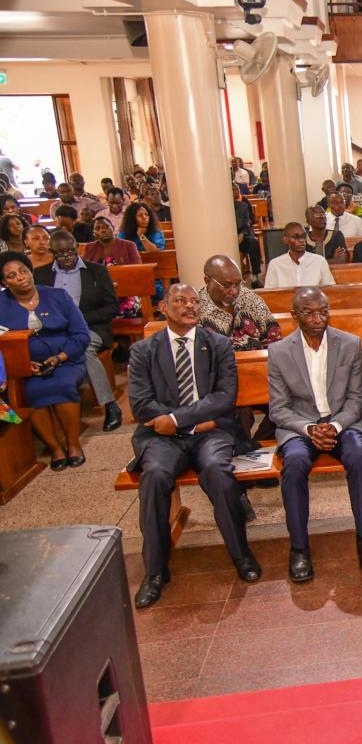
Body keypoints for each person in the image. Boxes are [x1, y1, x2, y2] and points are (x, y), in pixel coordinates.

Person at [128, 283, 261, 607]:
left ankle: (241, 555)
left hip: (208, 433)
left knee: (217, 471)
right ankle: (156, 571)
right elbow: (142, 405)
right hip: (161, 438)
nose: (189, 306)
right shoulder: (144, 351)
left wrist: (175, 419)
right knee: (156, 476)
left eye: (193, 301)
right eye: (180, 301)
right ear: (163, 307)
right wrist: (180, 422)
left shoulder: (217, 345)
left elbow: (224, 398)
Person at [268, 287, 362, 581]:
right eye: (309, 312)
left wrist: (335, 426)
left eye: (324, 311)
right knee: (292, 465)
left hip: (342, 423)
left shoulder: (349, 344)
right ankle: (299, 548)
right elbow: (278, 409)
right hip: (300, 426)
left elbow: (357, 399)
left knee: (358, 456)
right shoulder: (280, 352)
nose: (319, 318)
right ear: (294, 316)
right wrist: (309, 429)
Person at [0, 251, 90, 470]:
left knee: (63, 384)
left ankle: (72, 443)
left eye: (23, 270)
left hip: (66, 359)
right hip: (24, 367)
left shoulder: (58, 295)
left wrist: (60, 357)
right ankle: (55, 448)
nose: (20, 277)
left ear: (31, 271)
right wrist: (20, 364)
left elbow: (81, 335)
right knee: (30, 391)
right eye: (12, 275)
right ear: (4, 282)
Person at [33, 230, 122, 431]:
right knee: (37, 351)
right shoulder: (41, 274)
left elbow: (112, 307)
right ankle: (53, 412)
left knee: (83, 348)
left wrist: (78, 321)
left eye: (70, 251)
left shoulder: (96, 271)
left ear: (77, 248)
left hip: (91, 328)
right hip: (56, 331)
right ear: (52, 252)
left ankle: (109, 405)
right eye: (61, 253)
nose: (67, 257)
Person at [198, 254, 281, 351]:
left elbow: (274, 340)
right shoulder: (195, 308)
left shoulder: (251, 300)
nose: (234, 291)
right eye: (226, 285)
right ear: (207, 281)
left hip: (254, 363)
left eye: (238, 284)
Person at [264, 222, 335, 289]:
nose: (301, 240)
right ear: (285, 240)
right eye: (296, 237)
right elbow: (269, 294)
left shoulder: (319, 261)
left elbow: (331, 290)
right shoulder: (275, 264)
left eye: (303, 236)